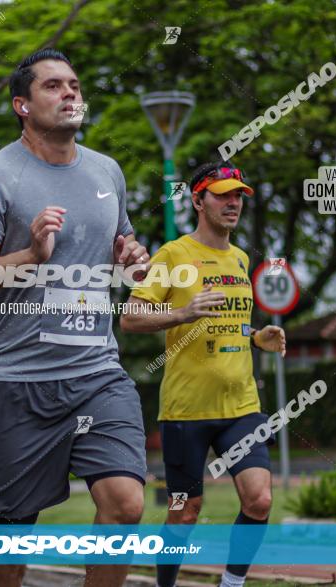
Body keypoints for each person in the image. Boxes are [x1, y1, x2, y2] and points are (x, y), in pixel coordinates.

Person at [0, 48, 149, 587]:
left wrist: (131, 256)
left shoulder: (106, 170)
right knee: (11, 533)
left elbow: (121, 240)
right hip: (15, 380)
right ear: (22, 104)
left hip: (97, 372)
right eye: (53, 86)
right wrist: (31, 258)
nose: (70, 93)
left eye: (74, 84)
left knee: (126, 504)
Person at [120, 161, 286, 587]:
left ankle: (232, 583)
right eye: (223, 195)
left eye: (238, 196)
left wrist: (256, 336)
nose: (234, 203)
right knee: (184, 512)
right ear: (198, 200)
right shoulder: (173, 255)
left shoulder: (240, 258)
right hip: (186, 411)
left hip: (241, 407)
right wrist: (182, 312)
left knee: (260, 500)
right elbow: (131, 317)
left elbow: (229, 323)